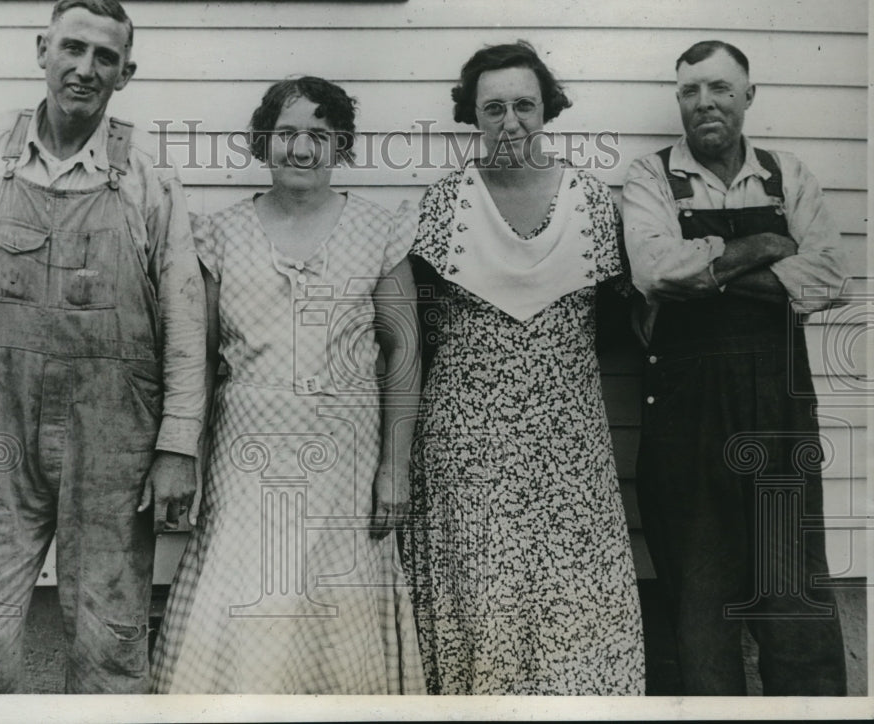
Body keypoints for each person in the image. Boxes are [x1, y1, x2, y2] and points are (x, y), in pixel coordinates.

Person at [0, 0, 206, 693]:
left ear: (125, 73)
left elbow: (187, 320)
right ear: (42, 52)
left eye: (105, 56)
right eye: (72, 48)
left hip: (114, 439)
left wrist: (175, 447)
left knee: (110, 641)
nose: (85, 67)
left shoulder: (148, 178)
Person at [150, 76, 426, 694]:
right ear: (263, 141)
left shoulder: (379, 232)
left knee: (333, 606)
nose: (301, 150)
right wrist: (184, 461)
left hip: (345, 464)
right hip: (245, 463)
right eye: (287, 133)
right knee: (248, 600)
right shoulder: (220, 234)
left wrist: (395, 467)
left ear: (342, 146)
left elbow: (404, 349)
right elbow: (200, 358)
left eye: (319, 136)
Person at [403, 40, 644, 695]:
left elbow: (618, 318)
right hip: (467, 447)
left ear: (548, 109)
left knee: (570, 596)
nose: (510, 122)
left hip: (567, 443)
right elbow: (414, 321)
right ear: (472, 116)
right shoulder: (444, 203)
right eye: (494, 108)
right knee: (485, 598)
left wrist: (547, 380)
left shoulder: (591, 202)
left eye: (524, 106)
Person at [622, 40, 848, 695]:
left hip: (778, 413)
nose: (705, 103)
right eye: (691, 91)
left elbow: (831, 277)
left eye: (720, 88)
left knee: (793, 588)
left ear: (748, 96)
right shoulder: (651, 177)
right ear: (679, 102)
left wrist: (711, 269)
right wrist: (767, 246)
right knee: (701, 596)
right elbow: (656, 271)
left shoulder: (788, 175)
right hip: (686, 418)